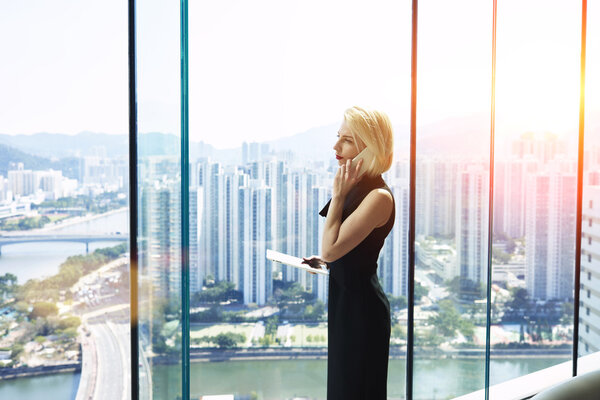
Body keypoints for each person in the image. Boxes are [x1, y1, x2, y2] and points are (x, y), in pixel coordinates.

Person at [302, 106, 395, 400]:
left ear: (371, 148)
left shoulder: (377, 196)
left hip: (362, 312)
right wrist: (326, 263)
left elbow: (330, 248)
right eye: (338, 137)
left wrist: (339, 194)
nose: (336, 146)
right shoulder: (358, 188)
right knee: (343, 388)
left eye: (347, 140)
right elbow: (340, 250)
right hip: (346, 303)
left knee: (356, 389)